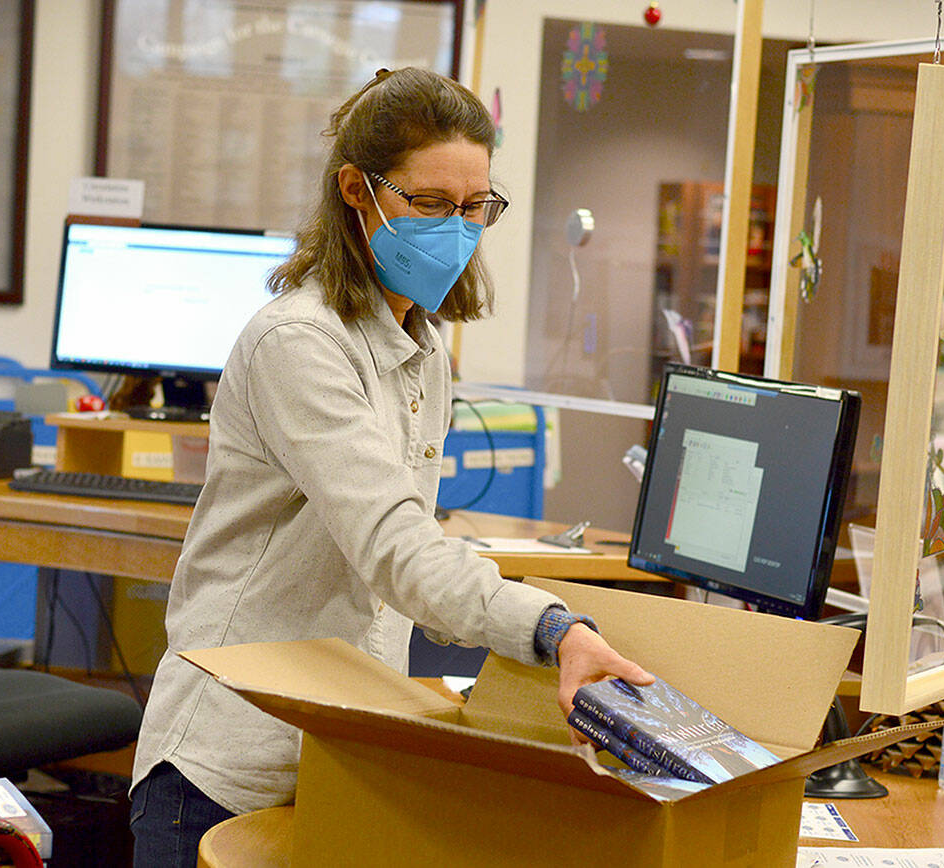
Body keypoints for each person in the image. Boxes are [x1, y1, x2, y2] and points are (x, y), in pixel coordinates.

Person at [128, 67, 651, 867]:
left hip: (343, 748)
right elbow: (392, 546)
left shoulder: (421, 349)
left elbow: (405, 566)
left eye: (474, 207)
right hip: (228, 765)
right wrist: (549, 627)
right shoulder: (296, 343)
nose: (458, 227)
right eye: (430, 204)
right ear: (355, 190)